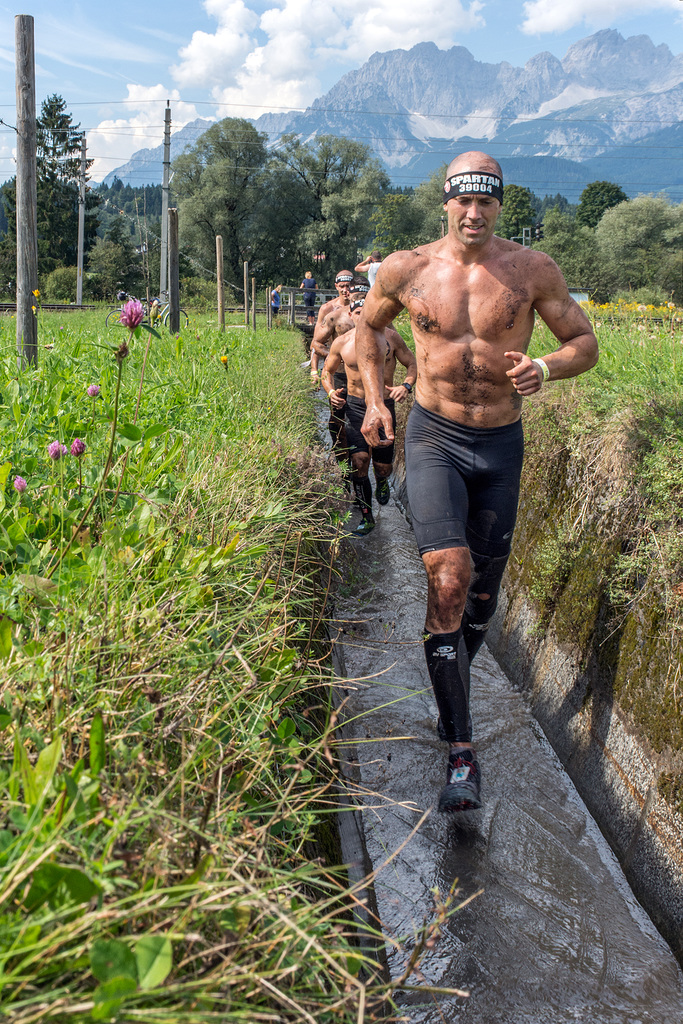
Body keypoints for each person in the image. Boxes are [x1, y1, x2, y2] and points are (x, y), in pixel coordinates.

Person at [355, 151, 598, 812]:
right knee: (448, 578)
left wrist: (545, 368)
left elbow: (584, 342)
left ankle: (449, 687)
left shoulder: (530, 270)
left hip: (500, 444)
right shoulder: (406, 269)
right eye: (462, 201)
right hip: (433, 437)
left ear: (498, 204)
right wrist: (376, 402)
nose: (472, 213)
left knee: (481, 602)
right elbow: (366, 331)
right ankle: (461, 753)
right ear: (444, 201)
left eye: (485, 202)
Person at [322, 295, 417, 536]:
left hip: (384, 407)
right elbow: (327, 372)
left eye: (367, 312)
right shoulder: (342, 343)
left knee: (382, 467)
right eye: (357, 313)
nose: (362, 317)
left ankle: (383, 481)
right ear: (350, 316)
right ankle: (367, 516)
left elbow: (412, 364)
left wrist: (405, 386)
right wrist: (331, 391)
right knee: (359, 462)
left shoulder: (391, 338)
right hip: (355, 407)